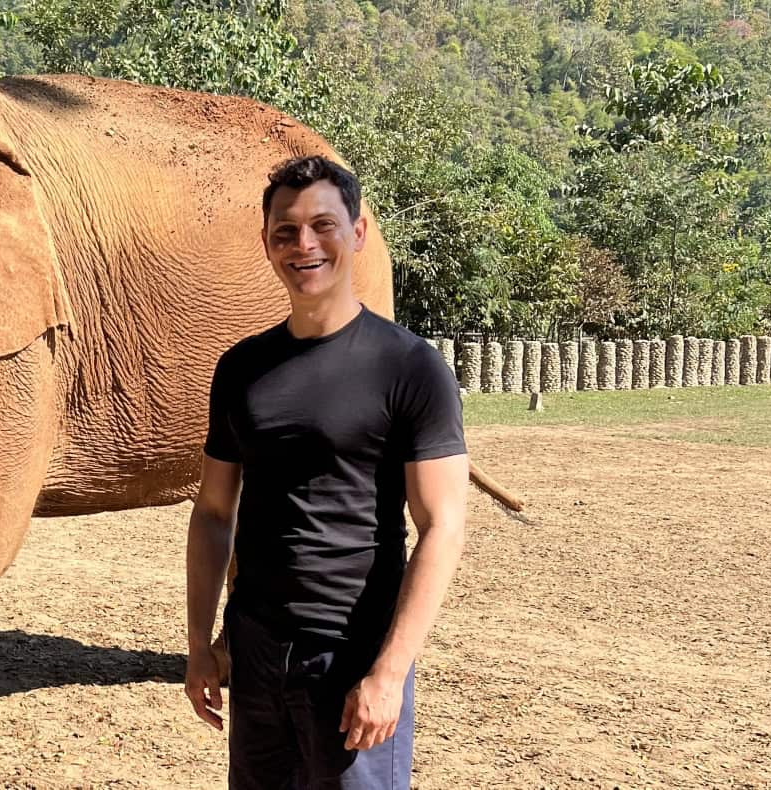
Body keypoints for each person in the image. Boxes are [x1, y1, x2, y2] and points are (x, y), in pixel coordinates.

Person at [184, 156, 469, 789]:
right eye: (285, 231)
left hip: (352, 656)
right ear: (265, 244)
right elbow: (212, 512)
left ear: (358, 232)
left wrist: (390, 673)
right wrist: (202, 642)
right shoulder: (242, 368)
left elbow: (443, 524)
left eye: (323, 225)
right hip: (255, 652)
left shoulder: (410, 367)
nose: (304, 245)